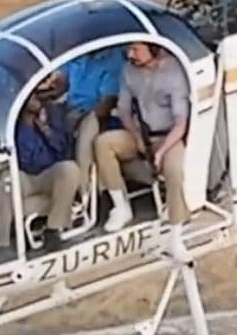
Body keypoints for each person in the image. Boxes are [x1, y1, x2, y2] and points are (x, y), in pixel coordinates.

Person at [93, 42, 190, 257]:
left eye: (136, 49)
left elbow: (181, 122)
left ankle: (176, 234)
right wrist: (136, 136)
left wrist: (162, 151)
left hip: (168, 137)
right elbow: (124, 110)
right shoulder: (128, 71)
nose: (130, 54)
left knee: (174, 169)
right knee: (104, 143)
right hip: (141, 133)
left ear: (153, 48)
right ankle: (121, 207)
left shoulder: (174, 72)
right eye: (128, 49)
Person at [45, 47, 125, 192]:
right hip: (68, 108)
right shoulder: (78, 50)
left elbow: (107, 103)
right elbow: (62, 83)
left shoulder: (113, 58)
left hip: (92, 113)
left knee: (87, 125)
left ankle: (84, 189)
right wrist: (45, 92)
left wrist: (76, 120)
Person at [14, 92, 81, 251]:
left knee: (69, 169)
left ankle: (53, 229)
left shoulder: (52, 114)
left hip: (49, 175)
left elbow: (63, 152)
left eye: (37, 95)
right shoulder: (15, 127)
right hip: (26, 178)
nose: (37, 99)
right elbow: (26, 162)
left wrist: (46, 130)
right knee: (7, 187)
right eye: (32, 97)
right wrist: (27, 125)